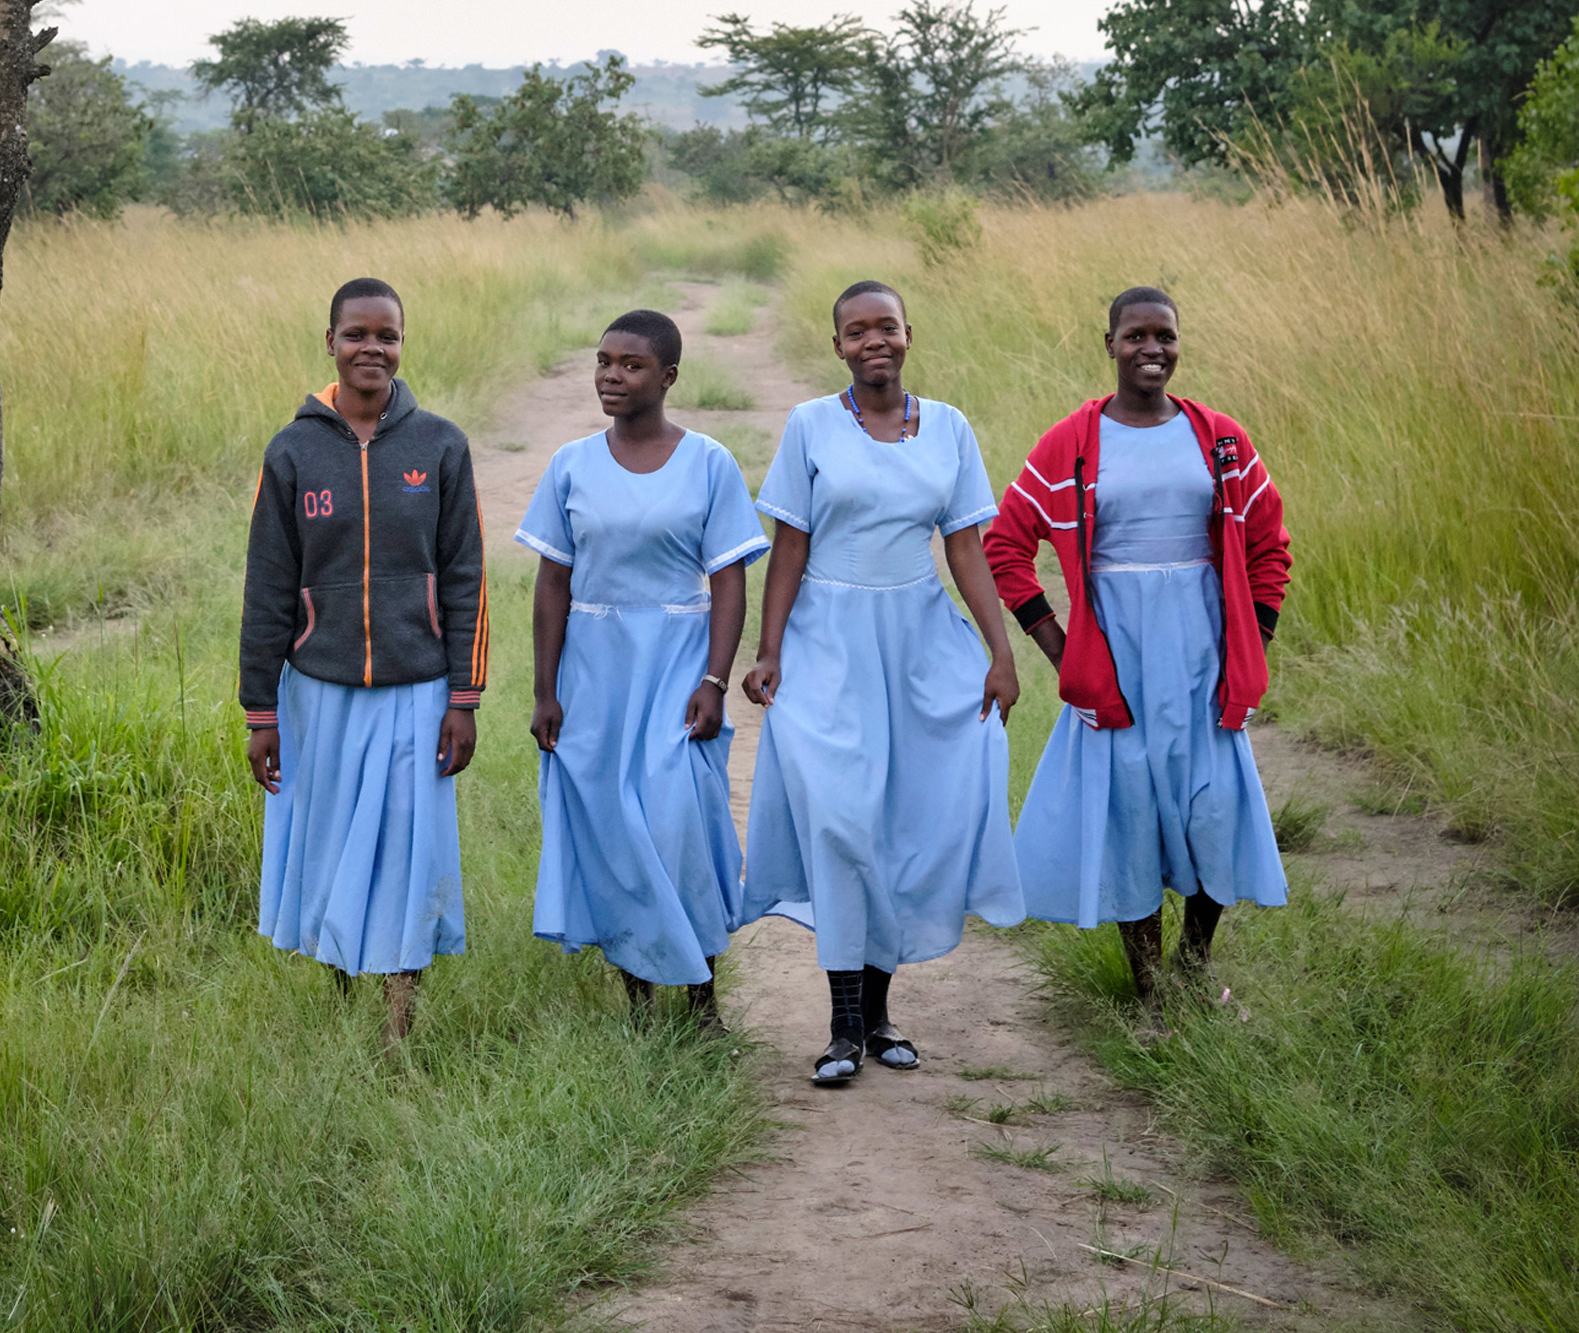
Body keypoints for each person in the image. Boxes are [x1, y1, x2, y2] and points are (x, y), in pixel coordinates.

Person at [741, 280, 1024, 1086]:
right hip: (827, 640)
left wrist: (999, 655)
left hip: (920, 642)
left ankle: (880, 1015)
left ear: (909, 335)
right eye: (857, 330)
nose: (875, 341)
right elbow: (789, 546)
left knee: (904, 823)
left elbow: (965, 547)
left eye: (887, 327)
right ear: (837, 346)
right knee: (839, 820)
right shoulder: (810, 425)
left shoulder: (950, 428)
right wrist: (768, 652)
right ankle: (839, 1025)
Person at [983, 286, 1291, 1024]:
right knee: (1130, 814)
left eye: (1166, 336)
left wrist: (1251, 639)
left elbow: (1268, 544)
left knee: (1214, 806)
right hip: (1115, 657)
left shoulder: (1218, 437)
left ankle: (1194, 965)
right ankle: (1150, 991)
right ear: (1111, 343)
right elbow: (1005, 543)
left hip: (1203, 656)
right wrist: (1062, 650)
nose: (1152, 349)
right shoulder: (1074, 441)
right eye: (1135, 336)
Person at [239, 276, 489, 1041]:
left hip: (417, 691)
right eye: (356, 334)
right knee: (330, 848)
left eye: (386, 335)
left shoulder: (440, 444)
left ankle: (398, 1026)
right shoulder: (292, 451)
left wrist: (463, 698)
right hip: (321, 691)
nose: (371, 348)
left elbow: (467, 577)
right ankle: (343, 1003)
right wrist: (261, 712)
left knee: (408, 851)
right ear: (330, 342)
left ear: (402, 344)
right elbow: (269, 587)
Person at [517, 310, 768, 1030]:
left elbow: (728, 579)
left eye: (630, 364)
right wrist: (545, 690)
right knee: (614, 830)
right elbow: (553, 583)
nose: (611, 375)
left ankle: (702, 999)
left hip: (678, 662)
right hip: (594, 671)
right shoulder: (571, 463)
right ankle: (639, 1003)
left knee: (678, 821)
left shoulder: (709, 462)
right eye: (603, 361)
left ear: (668, 377)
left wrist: (714, 681)